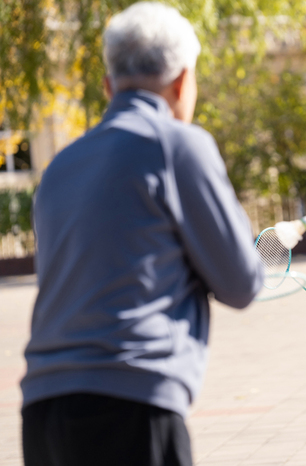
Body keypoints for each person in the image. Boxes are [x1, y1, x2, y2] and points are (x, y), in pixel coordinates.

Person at [20, 3, 264, 466]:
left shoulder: (60, 166)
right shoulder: (178, 145)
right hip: (131, 402)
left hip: (43, 411)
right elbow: (240, 283)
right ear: (181, 81)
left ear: (109, 84)